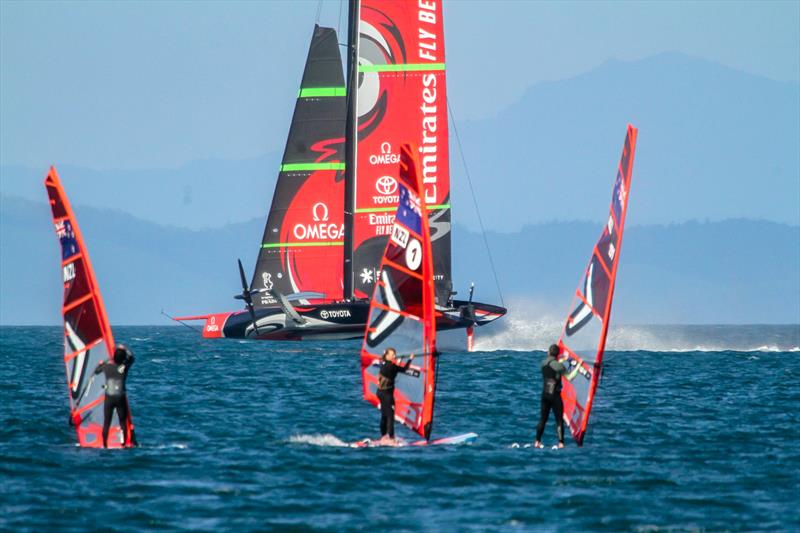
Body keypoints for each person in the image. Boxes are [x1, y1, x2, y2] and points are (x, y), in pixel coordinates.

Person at [534, 344, 577, 449]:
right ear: (557, 354)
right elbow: (570, 377)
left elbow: (552, 365)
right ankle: (561, 443)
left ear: (548, 352)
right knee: (558, 420)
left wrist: (561, 361)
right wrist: (578, 366)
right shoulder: (559, 366)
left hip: (545, 395)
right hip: (555, 396)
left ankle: (537, 442)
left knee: (543, 419)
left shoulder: (543, 363)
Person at [93, 344, 136, 448]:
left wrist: (101, 364)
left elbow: (96, 371)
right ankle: (123, 444)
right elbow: (132, 358)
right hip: (120, 397)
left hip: (109, 397)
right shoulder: (122, 367)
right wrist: (124, 348)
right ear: (122, 358)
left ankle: (105, 445)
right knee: (122, 422)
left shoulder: (107, 367)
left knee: (106, 422)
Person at [376, 347, 414, 444]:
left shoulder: (383, 364)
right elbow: (404, 369)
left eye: (394, 354)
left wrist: (399, 360)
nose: (394, 356)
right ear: (387, 355)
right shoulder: (391, 366)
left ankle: (383, 437)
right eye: (392, 354)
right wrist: (410, 359)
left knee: (384, 415)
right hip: (387, 395)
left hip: (380, 393)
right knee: (390, 417)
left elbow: (393, 369)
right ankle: (391, 439)